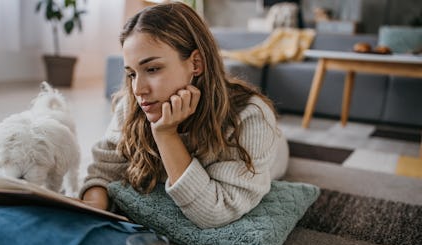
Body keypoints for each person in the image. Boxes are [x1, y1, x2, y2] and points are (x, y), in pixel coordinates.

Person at [80, 2, 289, 228]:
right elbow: (103, 172)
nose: (138, 90)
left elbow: (214, 212)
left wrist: (166, 134)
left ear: (195, 63)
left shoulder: (251, 118)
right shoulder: (132, 105)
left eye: (152, 69)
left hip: (277, 149)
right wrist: (92, 207)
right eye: (131, 74)